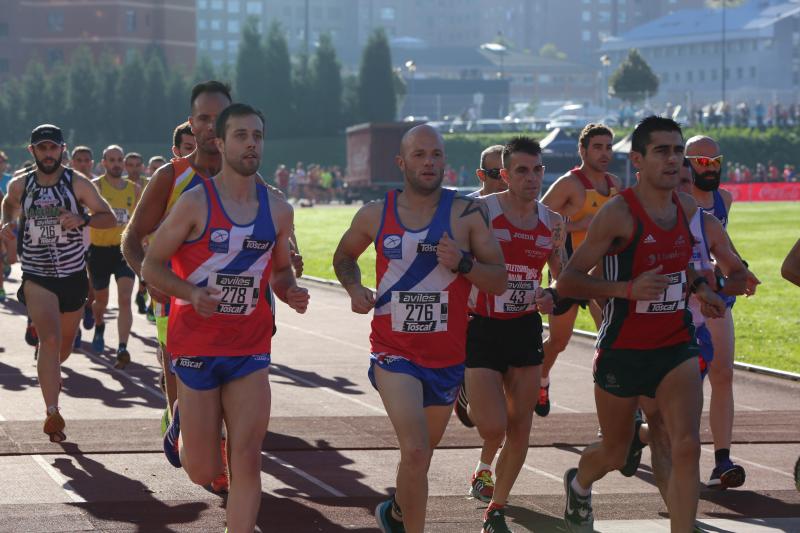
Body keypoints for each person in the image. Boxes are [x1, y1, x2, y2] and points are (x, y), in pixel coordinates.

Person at [332, 124, 507, 533]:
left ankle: (395, 512)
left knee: (420, 456)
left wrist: (463, 263)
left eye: (436, 155)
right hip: (394, 353)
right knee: (413, 449)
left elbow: (499, 279)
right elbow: (344, 257)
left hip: (446, 358)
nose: (429, 162)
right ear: (401, 162)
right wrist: (355, 287)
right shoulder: (376, 213)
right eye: (419, 155)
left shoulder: (467, 214)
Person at [143, 102, 309, 533]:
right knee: (200, 470)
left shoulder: (278, 209)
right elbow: (153, 265)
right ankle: (182, 417)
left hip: (249, 347)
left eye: (257, 136)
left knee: (247, 459)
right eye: (241, 135)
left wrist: (289, 290)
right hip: (196, 346)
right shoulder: (194, 203)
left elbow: (279, 269)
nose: (251, 143)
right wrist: (190, 293)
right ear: (220, 141)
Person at [557, 116, 726, 533]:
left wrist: (702, 287)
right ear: (637, 159)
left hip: (675, 343)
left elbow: (685, 263)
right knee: (615, 453)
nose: (673, 160)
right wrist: (628, 289)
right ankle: (579, 484)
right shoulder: (618, 214)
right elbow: (569, 280)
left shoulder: (687, 207)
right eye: (661, 151)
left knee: (684, 444)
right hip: (623, 349)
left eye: (678, 150)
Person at [122, 80, 232, 465]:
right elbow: (132, 238)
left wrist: (288, 261)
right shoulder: (171, 177)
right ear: (192, 122)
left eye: (219, 119)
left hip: (234, 303)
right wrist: (150, 279)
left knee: (231, 385)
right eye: (203, 118)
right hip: (176, 298)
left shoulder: (247, 176)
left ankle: (205, 436)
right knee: (179, 369)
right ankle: (182, 418)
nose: (210, 126)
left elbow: (273, 231)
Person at [459, 137, 564, 533]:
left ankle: (496, 507)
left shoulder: (552, 221)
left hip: (523, 328)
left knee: (521, 427)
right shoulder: (479, 211)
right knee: (493, 426)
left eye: (538, 170)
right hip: (480, 327)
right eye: (522, 170)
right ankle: (466, 394)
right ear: (504, 175)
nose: (532, 178)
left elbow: (562, 269)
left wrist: (553, 293)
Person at [0, 124, 116, 442]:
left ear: (62, 149)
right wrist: (7, 224)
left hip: (73, 275)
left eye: (53, 148)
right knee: (49, 340)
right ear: (32, 151)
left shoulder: (78, 184)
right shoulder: (22, 185)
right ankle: (53, 413)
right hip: (37, 275)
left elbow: (109, 216)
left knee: (62, 346)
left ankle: (50, 368)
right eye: (42, 148)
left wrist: (84, 219)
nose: (48, 154)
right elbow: (8, 204)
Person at [685, 135, 760, 490]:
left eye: (716, 161)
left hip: (717, 299)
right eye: (702, 162)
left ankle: (721, 460)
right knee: (681, 389)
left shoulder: (723, 200)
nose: (710, 168)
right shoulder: (673, 202)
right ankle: (641, 431)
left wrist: (740, 268)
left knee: (723, 375)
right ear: (686, 164)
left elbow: (722, 245)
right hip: (680, 298)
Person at [538, 124, 621, 417]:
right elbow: (539, 219)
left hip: (601, 277)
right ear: (583, 150)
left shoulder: (614, 185)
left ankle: (613, 402)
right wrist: (578, 225)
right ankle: (542, 379)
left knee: (609, 339)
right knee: (559, 340)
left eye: (609, 147)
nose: (604, 153)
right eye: (597, 147)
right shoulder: (569, 184)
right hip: (568, 275)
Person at [88, 145, 141, 367]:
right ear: (104, 162)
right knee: (100, 301)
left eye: (120, 159)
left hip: (123, 250)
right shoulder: (94, 187)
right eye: (112, 160)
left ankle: (122, 346)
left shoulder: (135, 190)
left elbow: (140, 220)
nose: (117, 164)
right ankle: (99, 324)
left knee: (125, 298)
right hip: (99, 251)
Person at [70, 146, 99, 333]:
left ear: (92, 163)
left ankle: (88, 306)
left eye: (86, 160)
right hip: (70, 242)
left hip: (94, 241)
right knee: (73, 285)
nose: (82, 164)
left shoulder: (98, 185)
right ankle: (75, 329)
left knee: (91, 285)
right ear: (72, 162)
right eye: (79, 160)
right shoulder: (64, 184)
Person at [123, 151, 150, 316]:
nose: (134, 169)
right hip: (125, 235)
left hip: (146, 234)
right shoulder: (121, 184)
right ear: (125, 166)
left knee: (146, 269)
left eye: (137, 165)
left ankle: (141, 293)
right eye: (130, 165)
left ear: (142, 167)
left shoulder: (151, 183)